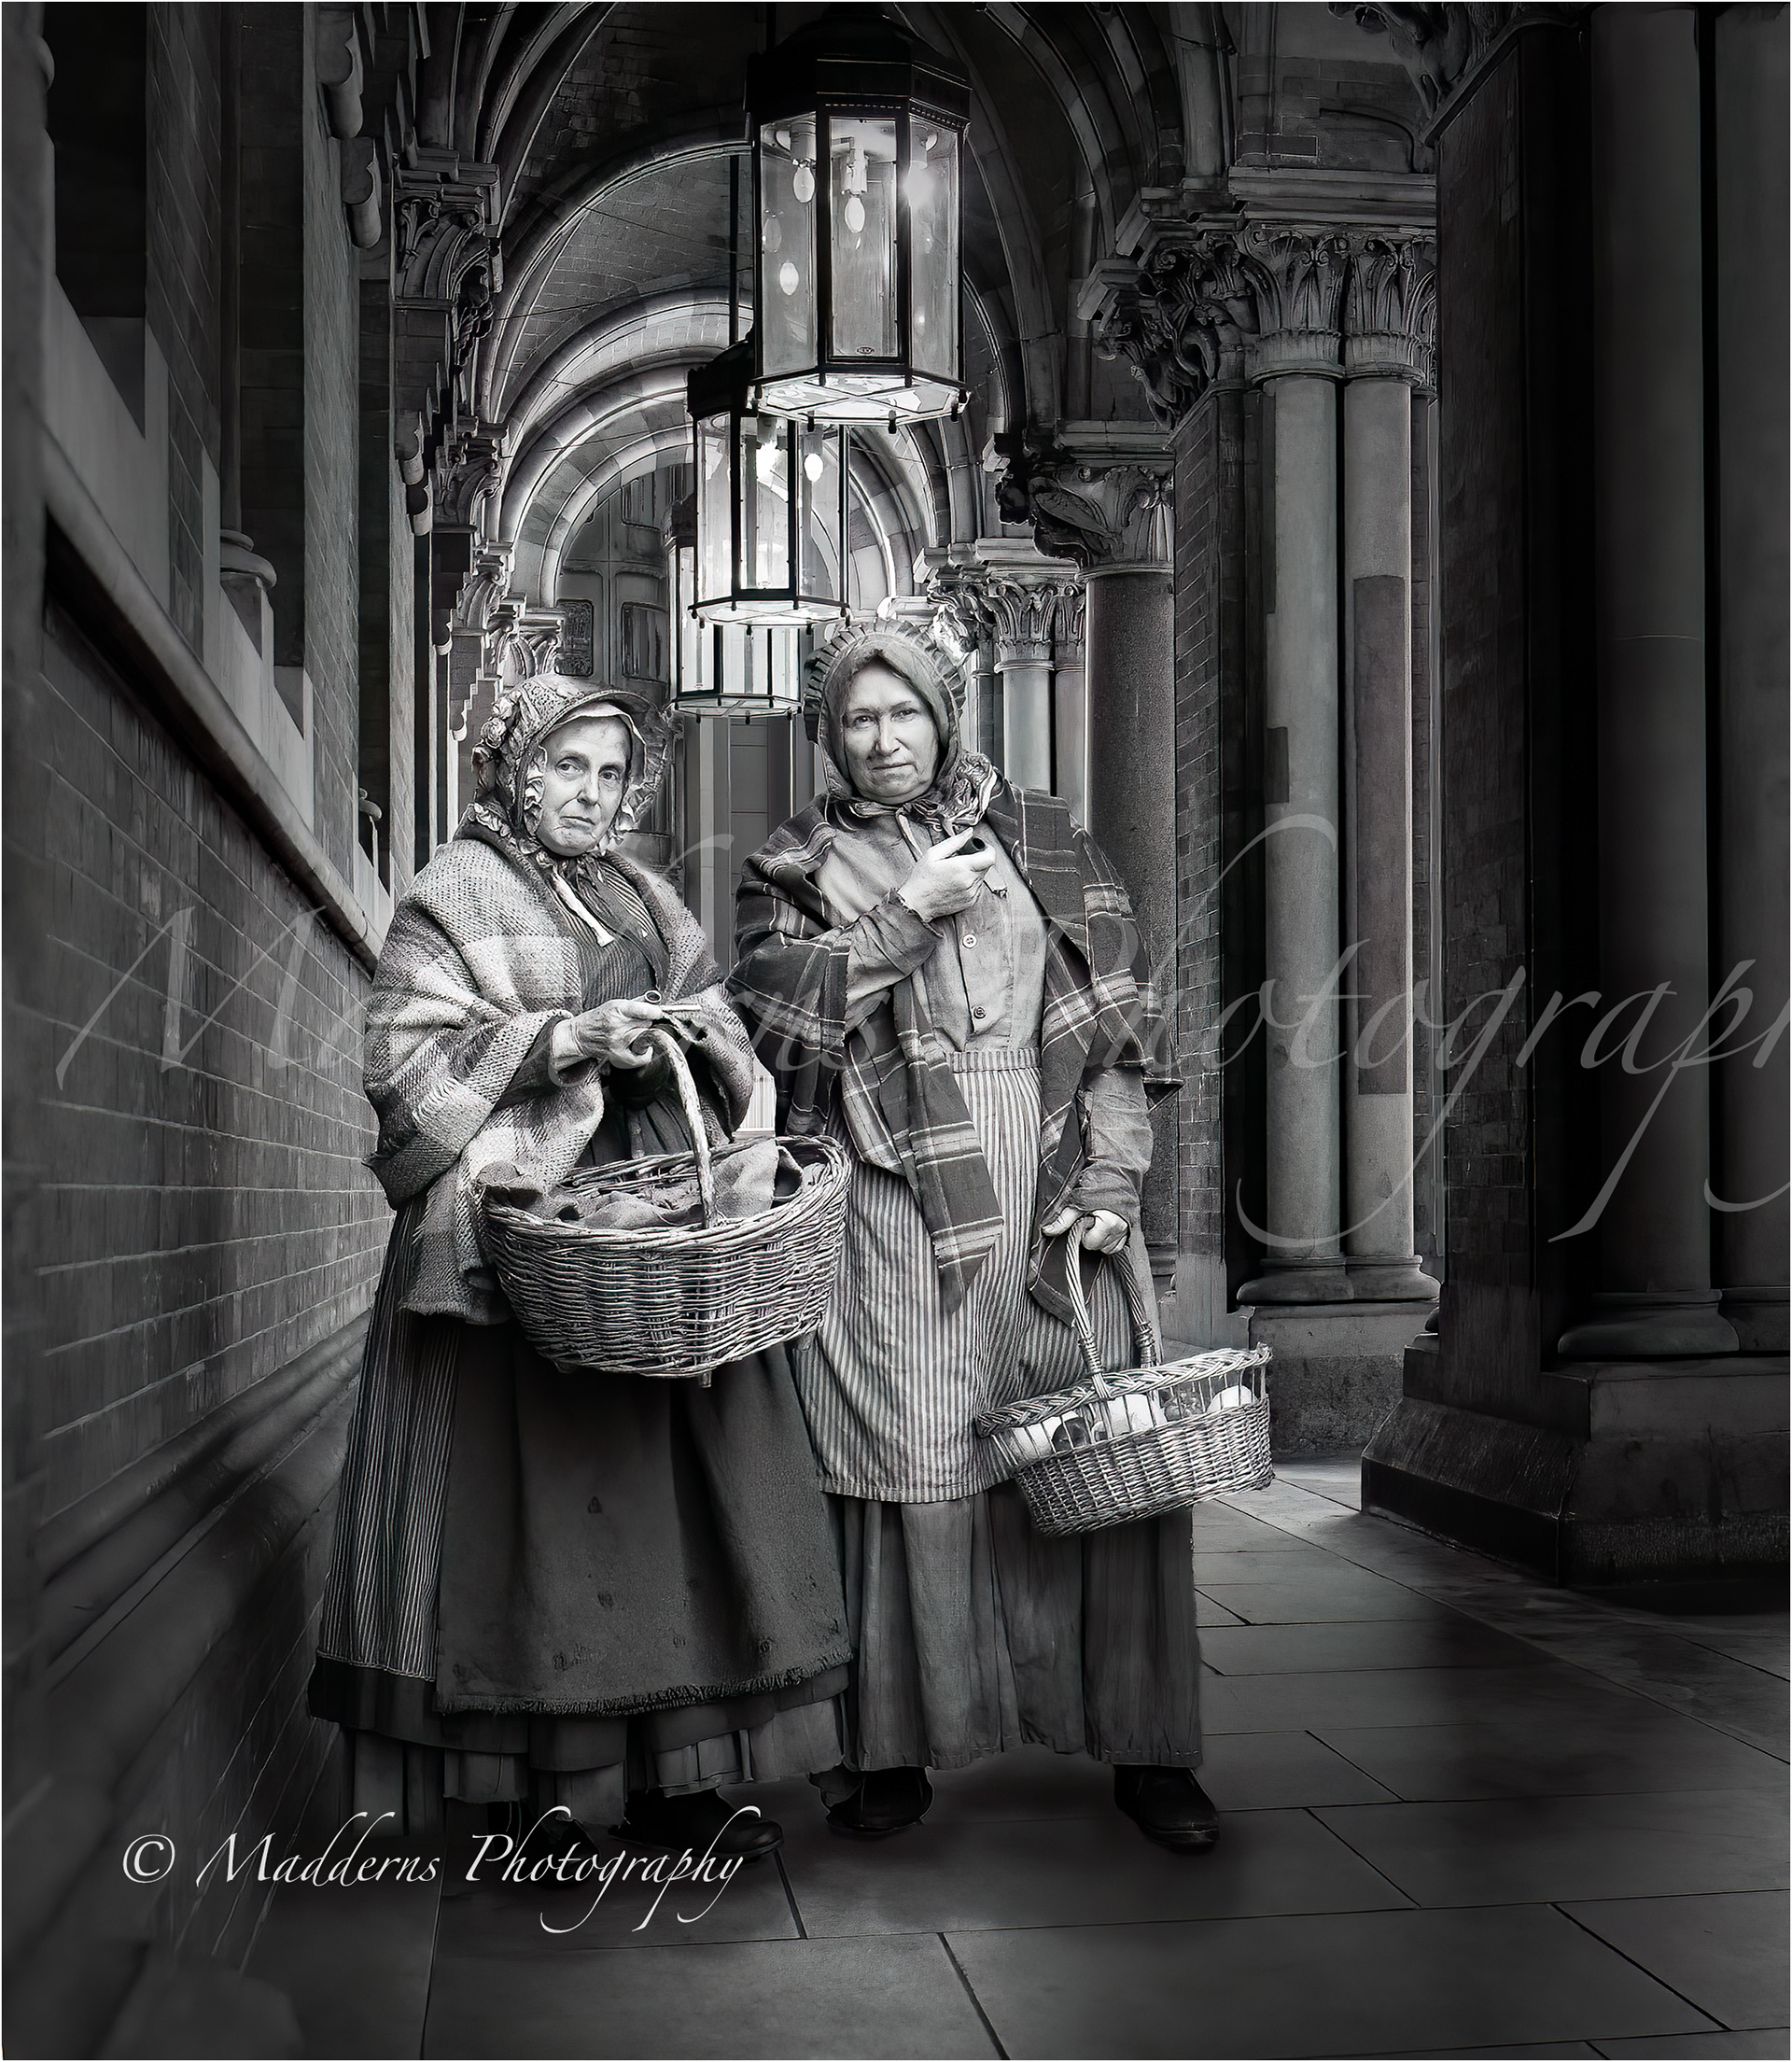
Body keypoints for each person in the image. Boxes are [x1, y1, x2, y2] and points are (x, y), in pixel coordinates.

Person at [309, 674, 848, 1865]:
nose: (590, 795)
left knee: (675, 1485)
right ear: (514, 765)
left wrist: (709, 1045)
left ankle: (681, 1772)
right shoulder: (451, 891)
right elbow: (401, 1057)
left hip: (657, 1228)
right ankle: (546, 1776)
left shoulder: (650, 894)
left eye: (610, 774)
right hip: (518, 1225)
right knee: (543, 1489)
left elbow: (725, 1034)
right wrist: (560, 1039)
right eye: (566, 767)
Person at [730, 631, 1218, 1851]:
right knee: (909, 1465)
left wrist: (1112, 1176)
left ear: (947, 716)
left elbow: (1118, 1029)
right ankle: (892, 1748)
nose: (884, 737)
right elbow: (776, 1024)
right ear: (827, 733)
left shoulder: (1045, 837)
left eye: (906, 713)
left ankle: (1148, 1748)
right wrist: (901, 916)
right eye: (858, 719)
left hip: (1048, 1181)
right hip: (893, 1205)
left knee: (1100, 1468)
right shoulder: (794, 862)